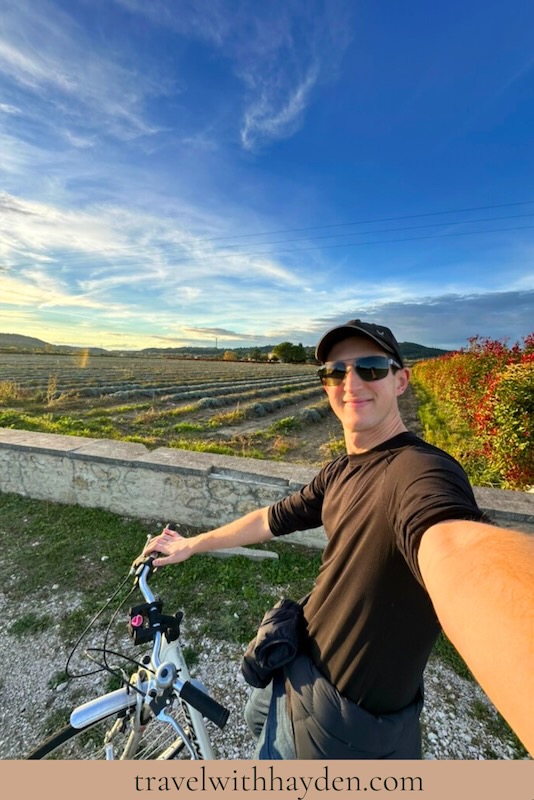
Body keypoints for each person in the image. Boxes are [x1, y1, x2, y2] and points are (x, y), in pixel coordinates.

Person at [144, 318, 534, 759]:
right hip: (295, 666)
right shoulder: (338, 472)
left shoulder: (419, 470)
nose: (351, 382)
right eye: (335, 371)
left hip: (337, 728)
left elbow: (453, 547)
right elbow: (269, 519)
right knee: (258, 721)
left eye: (371, 368)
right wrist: (192, 544)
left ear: (401, 380)